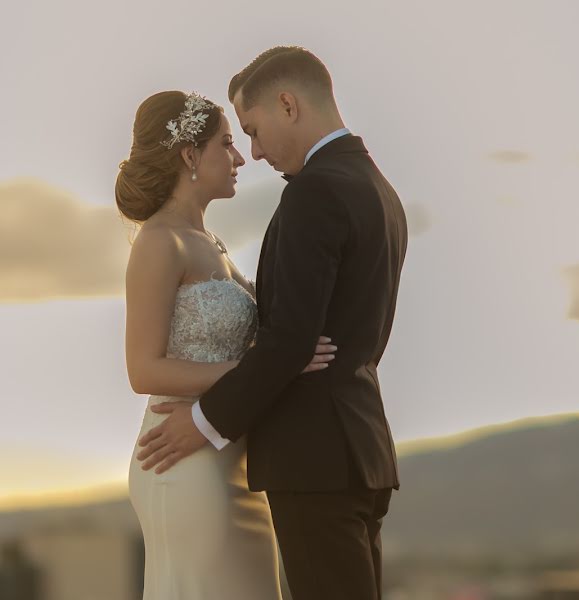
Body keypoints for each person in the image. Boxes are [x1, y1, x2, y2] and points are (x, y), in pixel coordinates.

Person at [136, 46, 408, 599]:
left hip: (308, 459)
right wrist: (271, 363)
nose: (252, 154)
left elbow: (289, 344)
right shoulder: (377, 189)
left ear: (288, 104)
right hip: (348, 451)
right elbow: (294, 343)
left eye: (251, 132)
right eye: (235, 141)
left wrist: (207, 421)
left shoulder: (316, 192)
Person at [118, 89, 336, 599]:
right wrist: (266, 366)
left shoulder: (210, 243)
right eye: (226, 144)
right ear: (190, 156)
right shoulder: (158, 242)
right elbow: (143, 370)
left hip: (232, 458)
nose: (241, 158)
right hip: (183, 461)